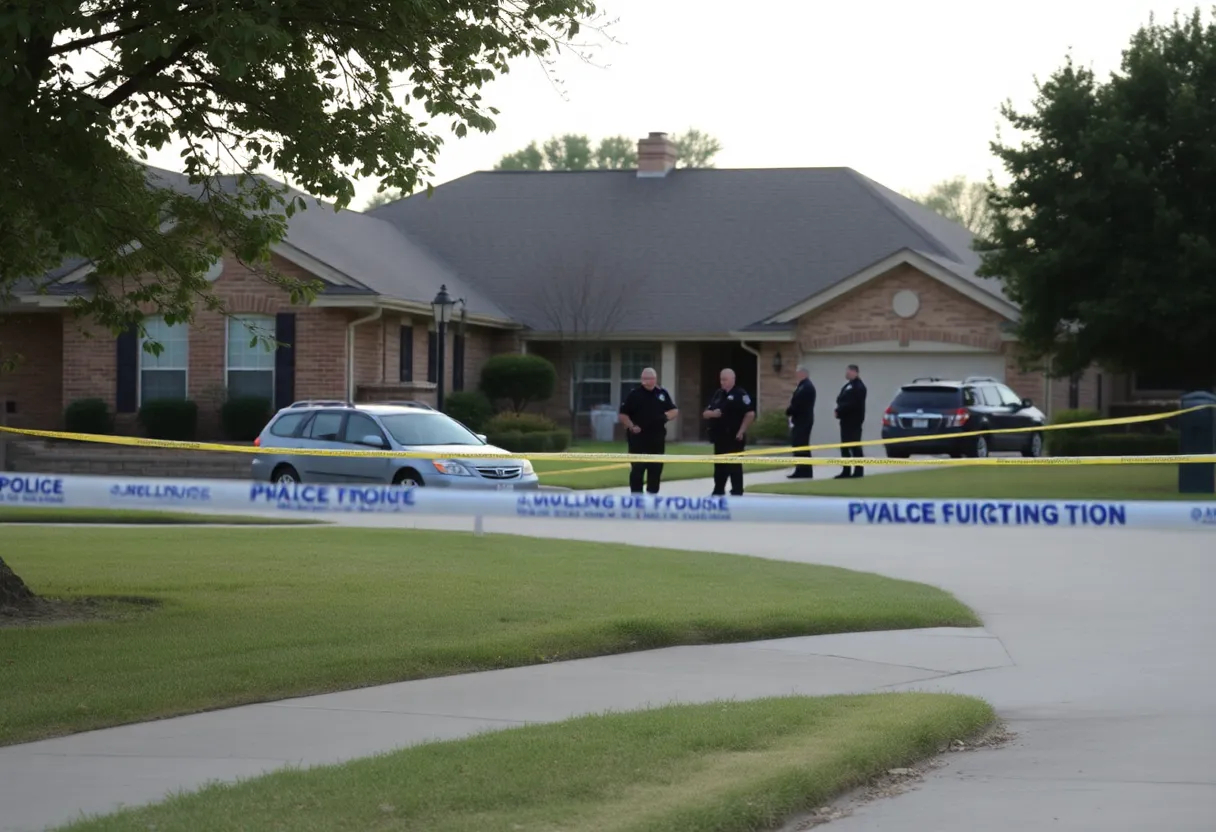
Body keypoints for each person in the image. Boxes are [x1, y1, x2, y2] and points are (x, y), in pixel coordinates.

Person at [618, 367, 678, 494]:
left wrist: (664, 417)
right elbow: (623, 414)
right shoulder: (634, 394)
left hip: (657, 440)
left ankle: (652, 500)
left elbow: (674, 410)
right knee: (637, 472)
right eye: (644, 378)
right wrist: (631, 426)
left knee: (655, 472)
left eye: (649, 378)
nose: (646, 381)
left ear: (655, 379)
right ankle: (637, 500)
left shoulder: (662, 394)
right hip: (638, 440)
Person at [702, 368, 756, 496]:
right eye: (721, 379)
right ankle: (718, 490)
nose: (722, 382)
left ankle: (737, 491)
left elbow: (750, 413)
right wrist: (713, 414)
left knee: (734, 466)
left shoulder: (740, 394)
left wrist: (742, 430)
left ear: (733, 379)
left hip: (734, 436)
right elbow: (705, 413)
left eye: (725, 379)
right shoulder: (718, 394)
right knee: (719, 466)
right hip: (719, 437)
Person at [834, 364, 867, 479]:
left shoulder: (859, 387)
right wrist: (839, 410)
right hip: (845, 421)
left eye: (848, 372)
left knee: (855, 446)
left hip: (854, 421)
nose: (846, 374)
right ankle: (846, 470)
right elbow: (840, 398)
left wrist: (840, 410)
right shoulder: (848, 385)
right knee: (845, 447)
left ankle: (858, 471)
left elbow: (853, 404)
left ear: (855, 372)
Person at [785, 365, 817, 479]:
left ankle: (805, 471)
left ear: (804, 374)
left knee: (801, 445)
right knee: (798, 445)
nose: (796, 375)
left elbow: (799, 404)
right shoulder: (802, 386)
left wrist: (789, 411)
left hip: (803, 420)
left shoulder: (806, 387)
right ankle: (800, 470)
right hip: (799, 420)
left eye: (798, 373)